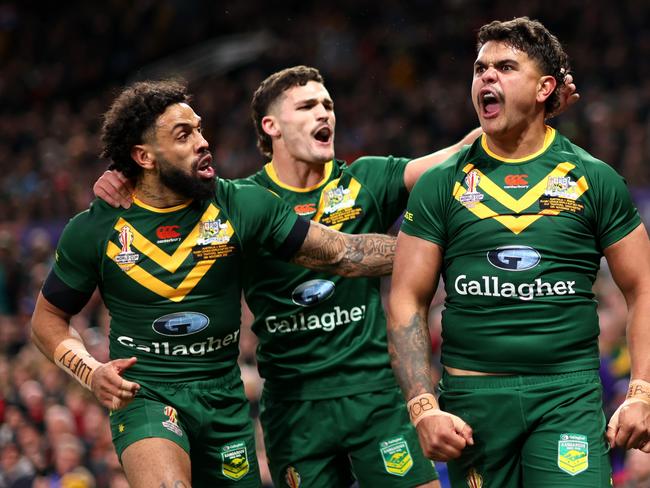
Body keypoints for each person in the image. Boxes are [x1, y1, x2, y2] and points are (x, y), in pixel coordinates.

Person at [94, 65, 578, 487]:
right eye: (306, 106)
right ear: (272, 126)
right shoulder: (239, 200)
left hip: (376, 397)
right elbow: (161, 199)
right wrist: (123, 181)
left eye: (327, 104)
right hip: (294, 405)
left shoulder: (367, 178)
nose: (324, 113)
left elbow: (457, 155)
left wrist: (530, 115)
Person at [30, 80, 399, 488]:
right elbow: (46, 319)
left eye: (200, 129)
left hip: (224, 400)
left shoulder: (242, 204)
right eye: (184, 135)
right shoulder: (94, 229)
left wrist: (443, 248)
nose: (204, 142)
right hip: (147, 394)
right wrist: (90, 370)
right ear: (144, 156)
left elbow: (341, 253)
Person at [387, 16, 650, 488]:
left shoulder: (595, 177)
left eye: (505, 67)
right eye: (479, 68)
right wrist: (423, 408)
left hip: (566, 396)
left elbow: (644, 287)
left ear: (546, 87)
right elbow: (407, 298)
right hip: (473, 404)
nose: (486, 76)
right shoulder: (439, 185)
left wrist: (642, 393)